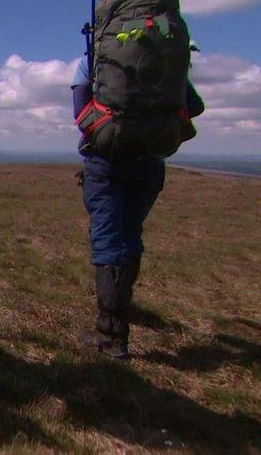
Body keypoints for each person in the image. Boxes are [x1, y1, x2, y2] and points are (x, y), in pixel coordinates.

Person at [72, 57, 204, 358]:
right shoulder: (165, 60)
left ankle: (111, 335)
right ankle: (119, 312)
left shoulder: (94, 57)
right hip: (150, 163)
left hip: (106, 161)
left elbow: (80, 114)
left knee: (108, 242)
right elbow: (194, 106)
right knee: (130, 236)